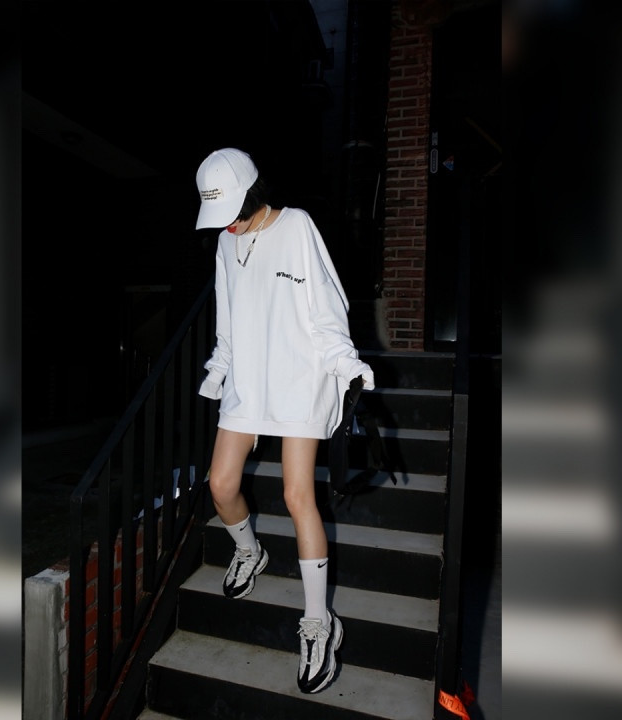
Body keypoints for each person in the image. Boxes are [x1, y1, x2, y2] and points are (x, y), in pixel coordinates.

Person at [195, 147, 374, 694]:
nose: (226, 223)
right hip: (250, 378)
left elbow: (325, 308)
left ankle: (319, 622)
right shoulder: (226, 243)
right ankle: (250, 551)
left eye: (231, 209)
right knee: (220, 485)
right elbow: (228, 320)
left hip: (299, 377)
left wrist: (347, 364)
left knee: (299, 496)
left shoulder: (295, 225)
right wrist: (219, 369)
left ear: (252, 193)